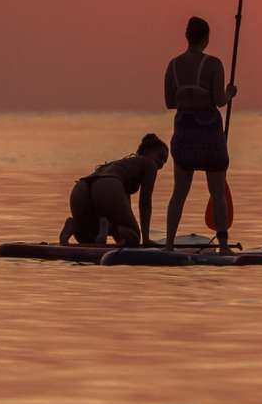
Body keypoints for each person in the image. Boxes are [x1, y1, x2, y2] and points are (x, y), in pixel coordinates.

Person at [163, 16, 235, 249]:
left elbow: (170, 102)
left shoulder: (173, 66)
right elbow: (219, 100)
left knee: (178, 194)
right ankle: (223, 246)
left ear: (187, 36)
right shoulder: (214, 64)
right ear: (206, 38)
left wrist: (189, 95)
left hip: (184, 136)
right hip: (209, 138)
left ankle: (169, 245)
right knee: (217, 193)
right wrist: (230, 92)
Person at [60, 134, 168, 246]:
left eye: (165, 161)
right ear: (146, 151)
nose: (161, 163)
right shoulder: (149, 164)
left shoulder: (122, 164)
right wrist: (146, 239)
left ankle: (74, 226)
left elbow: (123, 205)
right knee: (133, 237)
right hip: (108, 185)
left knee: (88, 239)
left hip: (81, 187)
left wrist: (120, 236)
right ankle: (108, 227)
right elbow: (145, 202)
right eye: (160, 156)